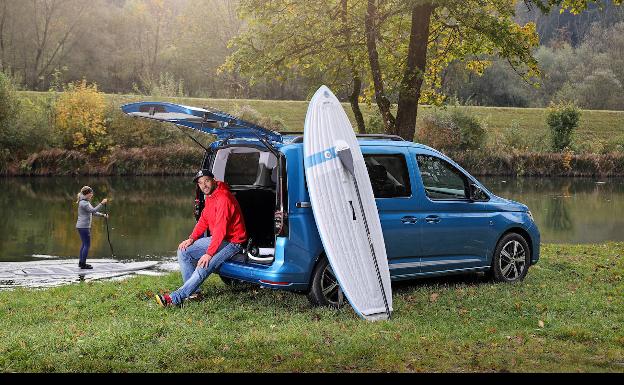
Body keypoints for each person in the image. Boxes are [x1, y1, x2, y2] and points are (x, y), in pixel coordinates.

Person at [155, 169, 247, 307]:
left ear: (213, 180)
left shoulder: (223, 198)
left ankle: (174, 298)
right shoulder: (210, 197)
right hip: (219, 239)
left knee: (204, 265)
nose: (204, 185)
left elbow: (221, 230)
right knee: (183, 251)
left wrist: (209, 254)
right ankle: (194, 293)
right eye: (200, 183)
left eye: (207, 181)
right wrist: (191, 238)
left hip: (233, 242)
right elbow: (204, 220)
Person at [75, 186, 108, 269]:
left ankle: (81, 263)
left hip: (82, 227)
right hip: (84, 227)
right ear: (87, 194)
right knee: (87, 245)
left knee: (84, 245)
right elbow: (93, 211)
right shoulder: (84, 203)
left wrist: (103, 215)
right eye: (90, 194)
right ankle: (83, 264)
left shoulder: (85, 201)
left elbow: (92, 212)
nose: (91, 195)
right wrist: (102, 203)